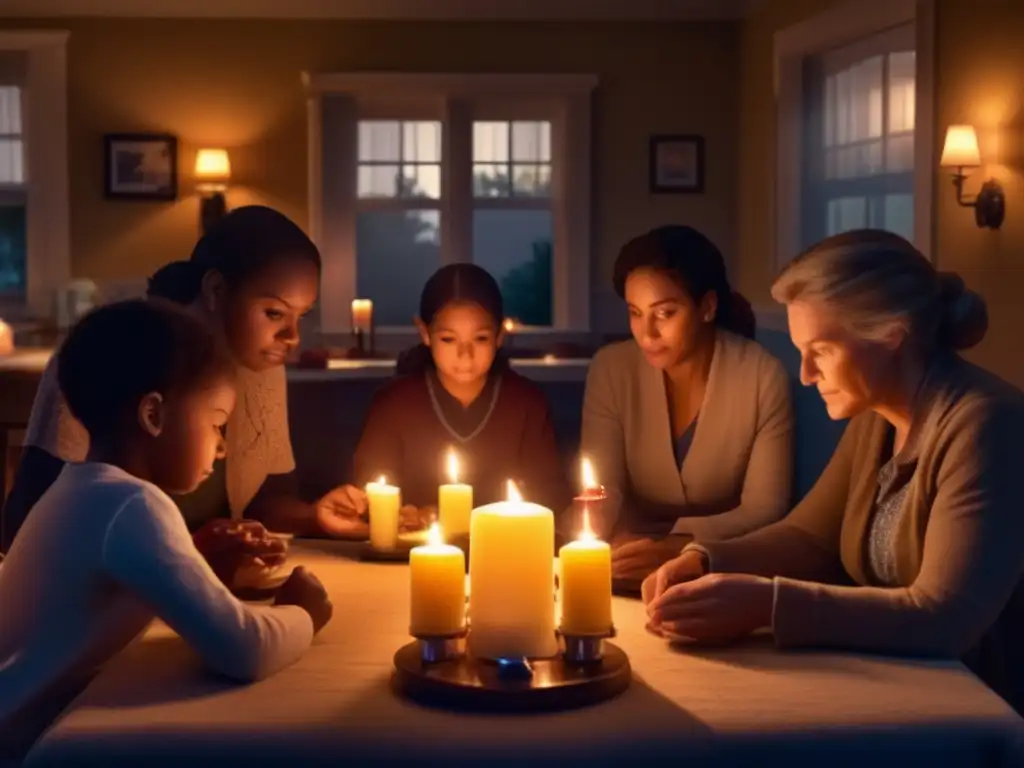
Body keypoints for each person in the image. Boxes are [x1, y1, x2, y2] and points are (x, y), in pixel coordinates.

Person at [643, 229, 1024, 713]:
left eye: (820, 350)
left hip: (982, 711)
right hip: (900, 687)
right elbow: (812, 537)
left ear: (891, 335)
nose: (804, 373)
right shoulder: (877, 415)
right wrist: (705, 559)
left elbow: (945, 617)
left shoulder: (986, 424)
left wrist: (767, 605)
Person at [0, 300, 333, 761]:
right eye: (217, 424)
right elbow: (243, 649)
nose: (221, 449)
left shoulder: (80, 489)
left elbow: (106, 599)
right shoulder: (133, 504)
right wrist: (303, 614)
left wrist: (202, 567)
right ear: (154, 415)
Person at [1, 206, 366, 570]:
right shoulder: (106, 349)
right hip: (114, 590)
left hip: (201, 579)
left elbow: (265, 500)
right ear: (216, 289)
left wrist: (315, 517)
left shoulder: (261, 365)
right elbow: (33, 522)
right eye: (273, 313)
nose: (292, 337)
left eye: (300, 316)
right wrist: (186, 555)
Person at [582, 225, 792, 582]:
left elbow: (766, 509)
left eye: (665, 313)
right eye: (635, 313)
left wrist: (677, 545)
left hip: (725, 568)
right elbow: (603, 486)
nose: (646, 333)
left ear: (707, 307)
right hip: (627, 558)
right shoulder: (611, 369)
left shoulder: (761, 375)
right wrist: (607, 534)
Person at [331, 263, 571, 526]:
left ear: (499, 335)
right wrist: (397, 513)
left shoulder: (527, 404)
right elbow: (371, 492)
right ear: (425, 333)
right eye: (449, 339)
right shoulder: (393, 404)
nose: (465, 354)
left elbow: (550, 496)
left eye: (480, 339)